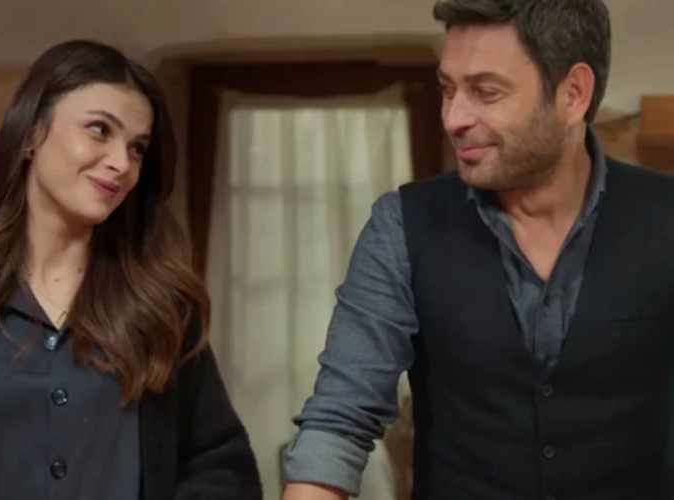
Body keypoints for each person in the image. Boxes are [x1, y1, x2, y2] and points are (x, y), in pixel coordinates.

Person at [282, 0, 674, 499]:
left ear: (573, 93)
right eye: (448, 89)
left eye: (485, 92)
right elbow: (339, 419)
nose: (453, 118)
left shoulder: (666, 217)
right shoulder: (401, 226)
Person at [0, 40, 262, 500]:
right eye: (100, 130)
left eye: (137, 148)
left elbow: (223, 465)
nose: (122, 163)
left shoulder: (161, 306)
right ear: (31, 132)